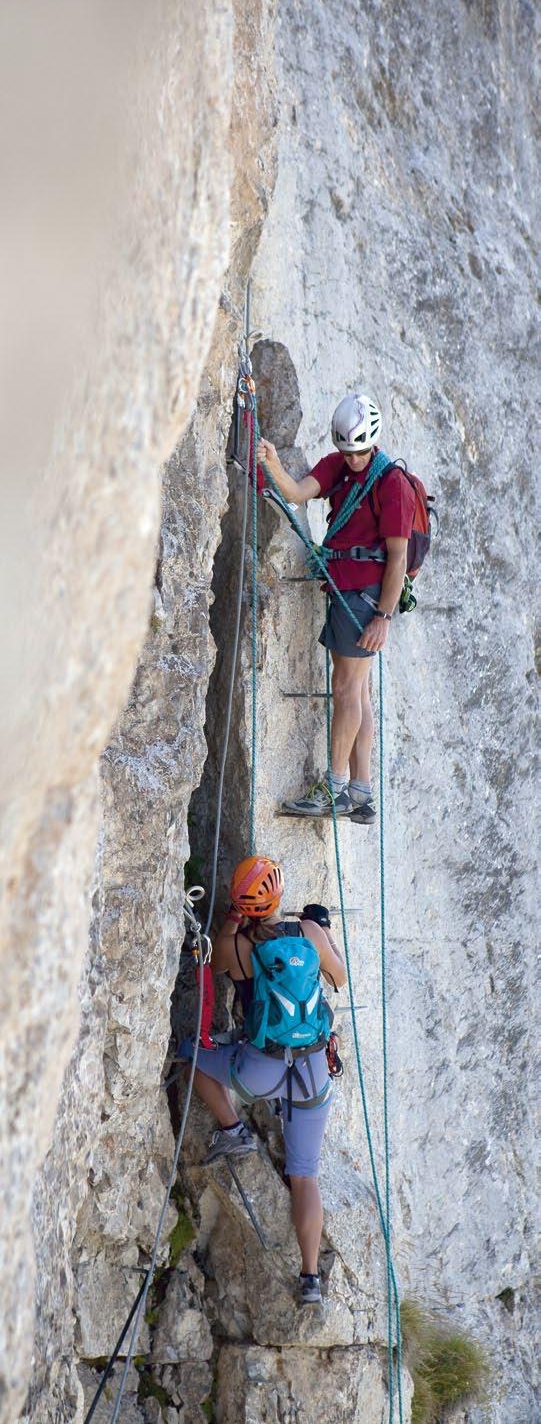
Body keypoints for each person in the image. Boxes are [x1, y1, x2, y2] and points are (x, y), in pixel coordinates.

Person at [180, 855, 346, 1305]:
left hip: (259, 1072)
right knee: (305, 1174)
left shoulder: (239, 948)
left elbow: (213, 963)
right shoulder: (308, 934)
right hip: (312, 1075)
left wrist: (234, 922)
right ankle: (309, 1277)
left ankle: (234, 1130)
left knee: (189, 1057)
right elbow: (340, 977)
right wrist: (322, 930)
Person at [257, 392, 416, 822]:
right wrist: (271, 460)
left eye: (361, 451)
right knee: (358, 691)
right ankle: (360, 791)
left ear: (372, 443)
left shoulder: (392, 485)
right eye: (348, 452)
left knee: (346, 689)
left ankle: (336, 787)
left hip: (364, 599)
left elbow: (398, 558)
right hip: (345, 592)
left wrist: (383, 617)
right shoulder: (336, 467)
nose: (355, 459)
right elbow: (294, 492)